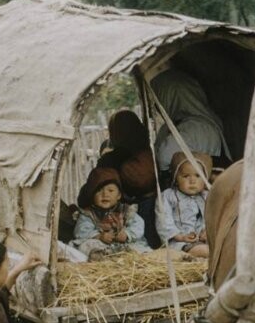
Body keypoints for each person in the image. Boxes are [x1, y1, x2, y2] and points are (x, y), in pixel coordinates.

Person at [97, 109, 160, 248]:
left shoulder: (109, 159)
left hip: (126, 210)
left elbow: (98, 182)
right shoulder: (151, 154)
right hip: (151, 205)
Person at [151, 69, 228, 173]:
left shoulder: (198, 127)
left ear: (170, 97)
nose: (156, 106)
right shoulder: (176, 125)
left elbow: (164, 157)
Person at [73, 166, 150, 260]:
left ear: (119, 195)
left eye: (111, 190)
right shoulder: (89, 213)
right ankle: (102, 257)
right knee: (86, 245)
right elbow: (81, 231)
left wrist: (126, 234)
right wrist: (99, 236)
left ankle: (128, 257)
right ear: (92, 196)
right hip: (102, 245)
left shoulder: (126, 210)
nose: (105, 194)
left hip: (125, 244)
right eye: (99, 191)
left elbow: (138, 224)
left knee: (140, 249)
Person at [156, 151, 212, 258]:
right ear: (175, 178)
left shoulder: (208, 196)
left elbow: (215, 217)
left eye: (197, 176)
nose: (192, 181)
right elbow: (163, 220)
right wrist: (179, 236)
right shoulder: (168, 196)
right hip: (180, 243)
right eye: (186, 176)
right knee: (205, 251)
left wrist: (208, 232)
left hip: (205, 240)